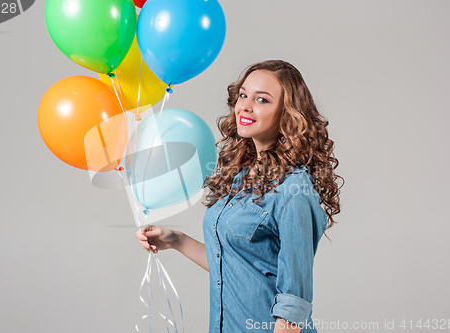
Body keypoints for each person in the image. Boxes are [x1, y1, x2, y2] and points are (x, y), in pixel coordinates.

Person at [135, 60, 342, 333]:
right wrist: (176, 240)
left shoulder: (295, 192)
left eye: (262, 100)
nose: (245, 106)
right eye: (243, 95)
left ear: (287, 114)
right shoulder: (241, 176)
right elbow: (234, 264)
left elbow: (294, 306)